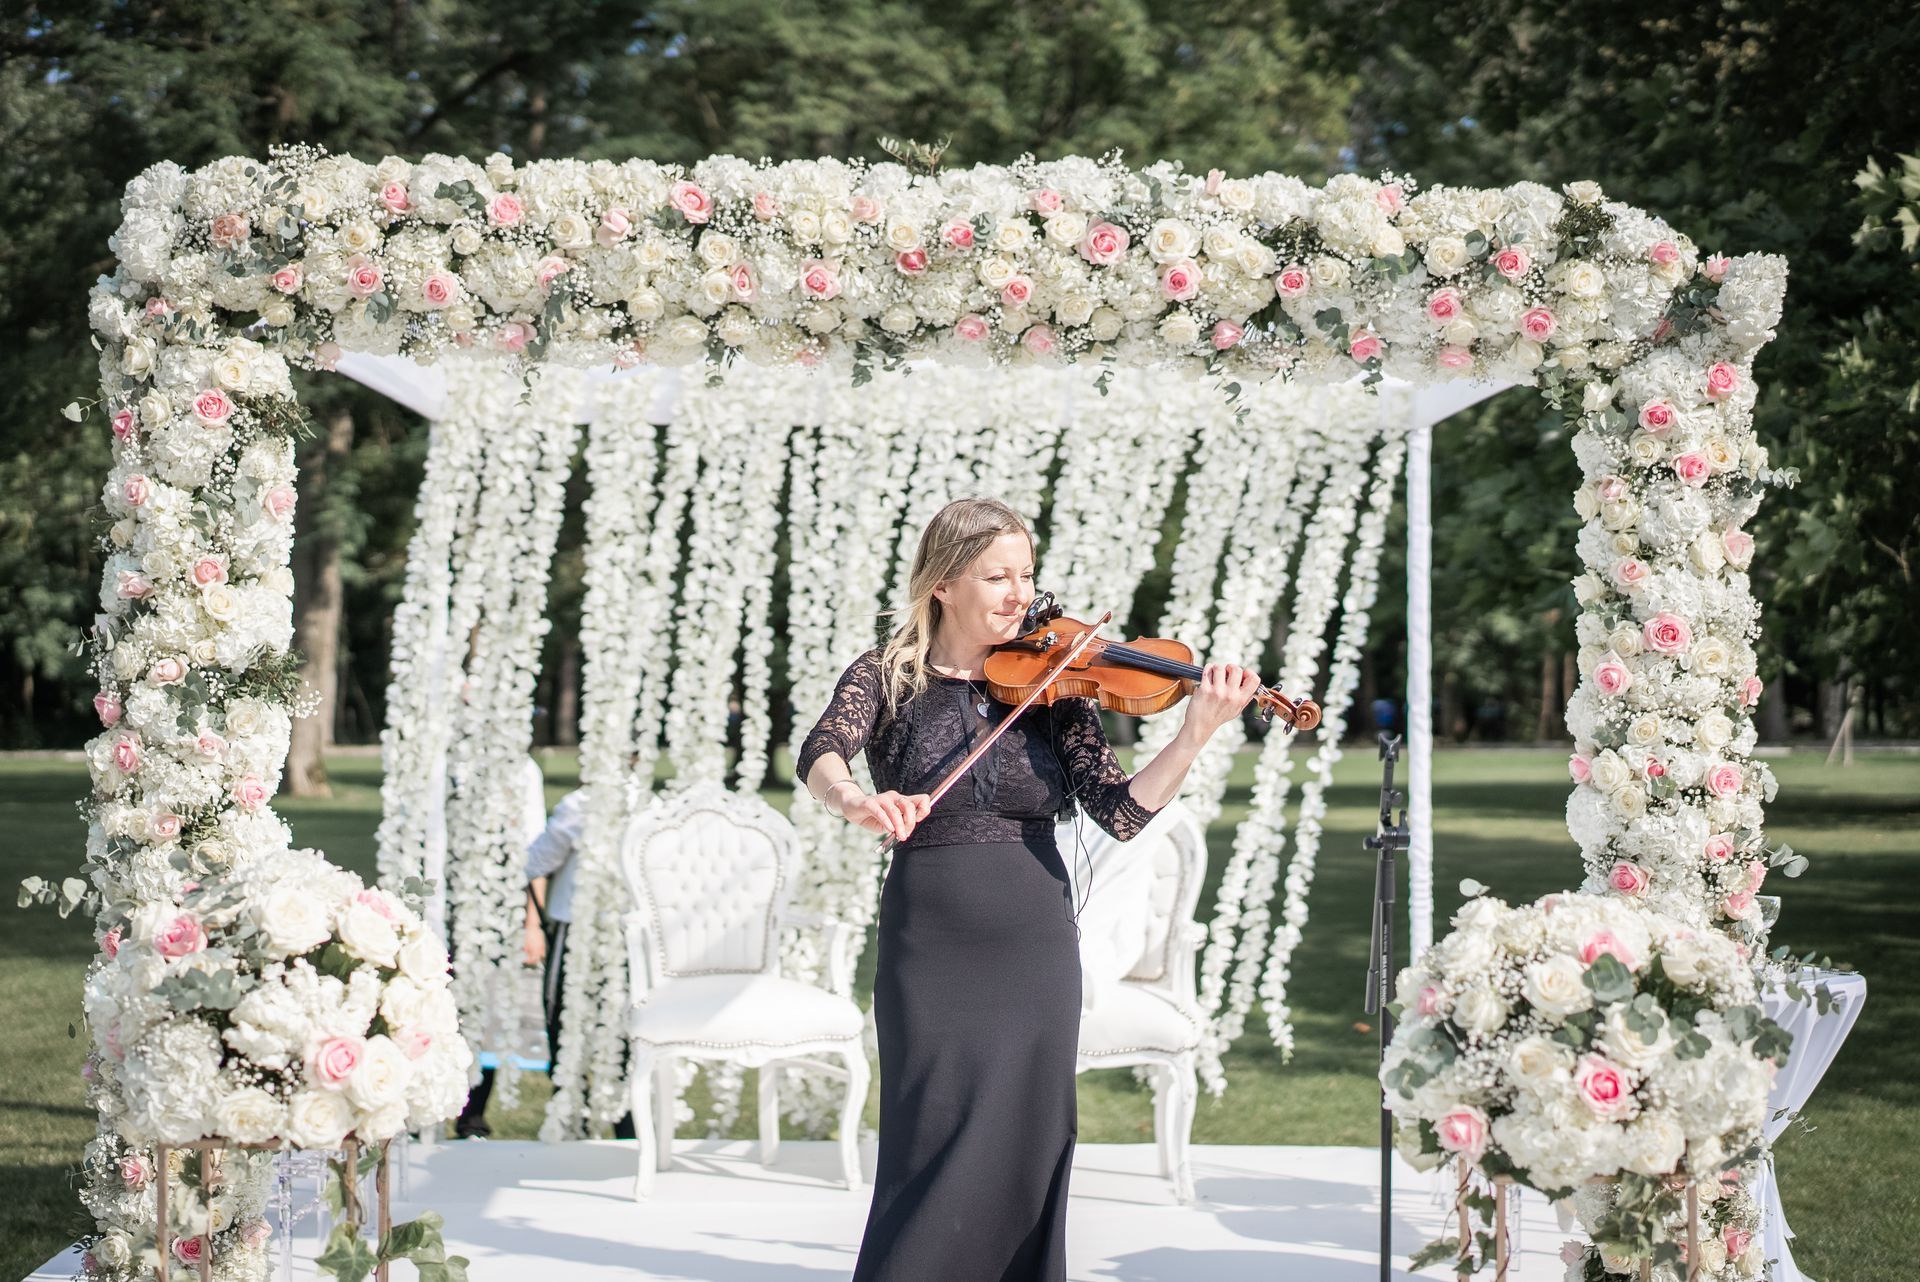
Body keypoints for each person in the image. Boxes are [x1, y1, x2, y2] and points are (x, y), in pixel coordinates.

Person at [795, 497, 1259, 1282]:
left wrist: (1195, 731)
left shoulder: (1056, 685)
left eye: (1027, 574)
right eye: (997, 577)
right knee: (931, 1132)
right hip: (931, 941)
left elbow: (1119, 812)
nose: (1021, 594)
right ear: (943, 584)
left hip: (1035, 940)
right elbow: (823, 749)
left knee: (1028, 1142)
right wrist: (855, 801)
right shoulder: (887, 674)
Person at [452, 754, 549, 1138]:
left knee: (489, 1009)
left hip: (496, 905)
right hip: (445, 900)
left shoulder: (520, 767)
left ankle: (472, 1115)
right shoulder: (443, 759)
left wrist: (532, 924)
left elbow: (535, 852)